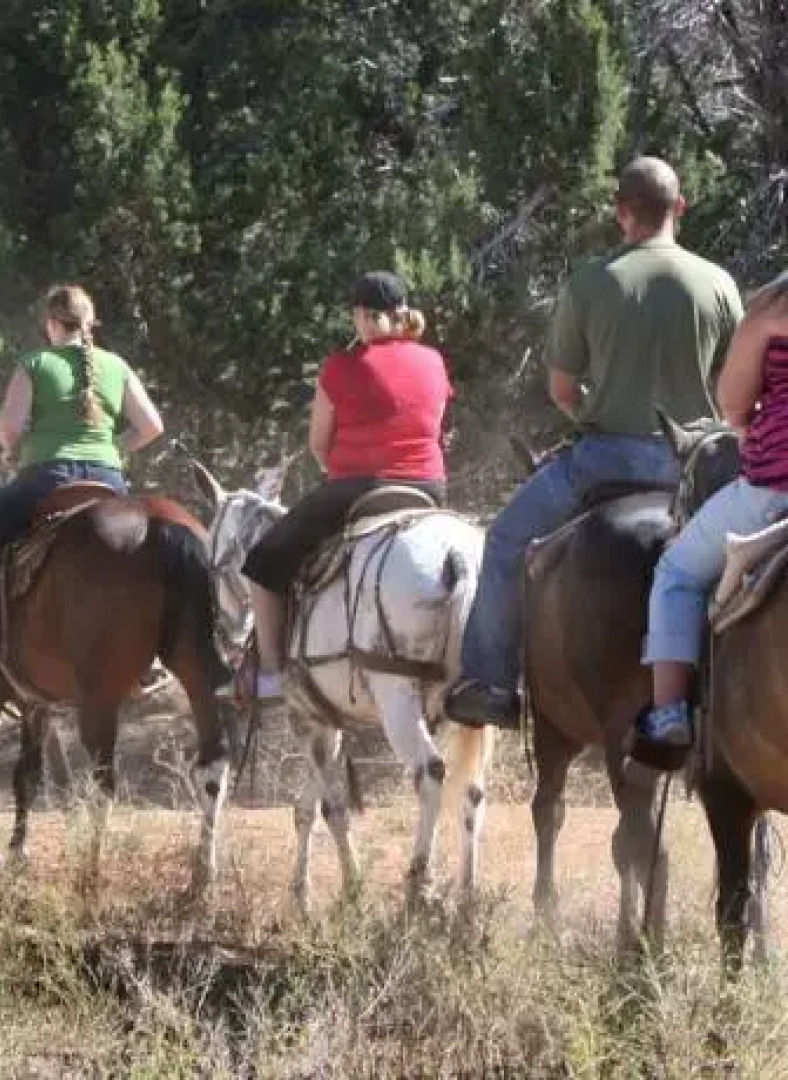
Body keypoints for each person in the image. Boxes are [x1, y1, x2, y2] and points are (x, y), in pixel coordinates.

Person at [444, 157, 745, 730]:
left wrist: (594, 407)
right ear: (680, 207)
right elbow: (735, 394)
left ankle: (492, 683)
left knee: (505, 540)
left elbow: (562, 389)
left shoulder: (590, 282)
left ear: (621, 214)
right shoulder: (719, 284)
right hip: (698, 466)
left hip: (606, 456)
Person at [0, 283, 165, 703]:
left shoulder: (36, 362)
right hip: (109, 481)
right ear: (90, 323)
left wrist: (12, 451)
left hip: (45, 478)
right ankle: (155, 655)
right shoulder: (117, 365)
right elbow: (152, 427)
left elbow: (8, 429)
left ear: (53, 323)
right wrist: (113, 449)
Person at [240, 272, 452, 700]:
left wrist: (336, 469)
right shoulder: (433, 361)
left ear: (362, 317)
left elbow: (319, 442)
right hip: (429, 489)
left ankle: (270, 673)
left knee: (262, 565)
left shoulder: (342, 366)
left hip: (358, 488)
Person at [632, 273, 788, 765]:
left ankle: (669, 713)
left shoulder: (771, 308)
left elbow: (734, 403)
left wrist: (744, 424)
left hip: (772, 489)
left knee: (675, 573)